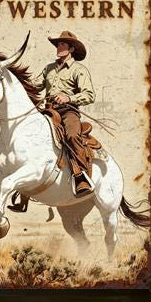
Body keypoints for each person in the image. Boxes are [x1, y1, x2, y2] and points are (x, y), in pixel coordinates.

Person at [41, 31, 98, 196]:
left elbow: (89, 95)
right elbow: (35, 85)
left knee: (72, 135)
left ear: (71, 49)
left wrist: (69, 98)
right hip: (48, 110)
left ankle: (81, 176)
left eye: (62, 44)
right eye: (57, 44)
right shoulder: (48, 68)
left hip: (68, 111)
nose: (58, 47)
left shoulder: (79, 70)